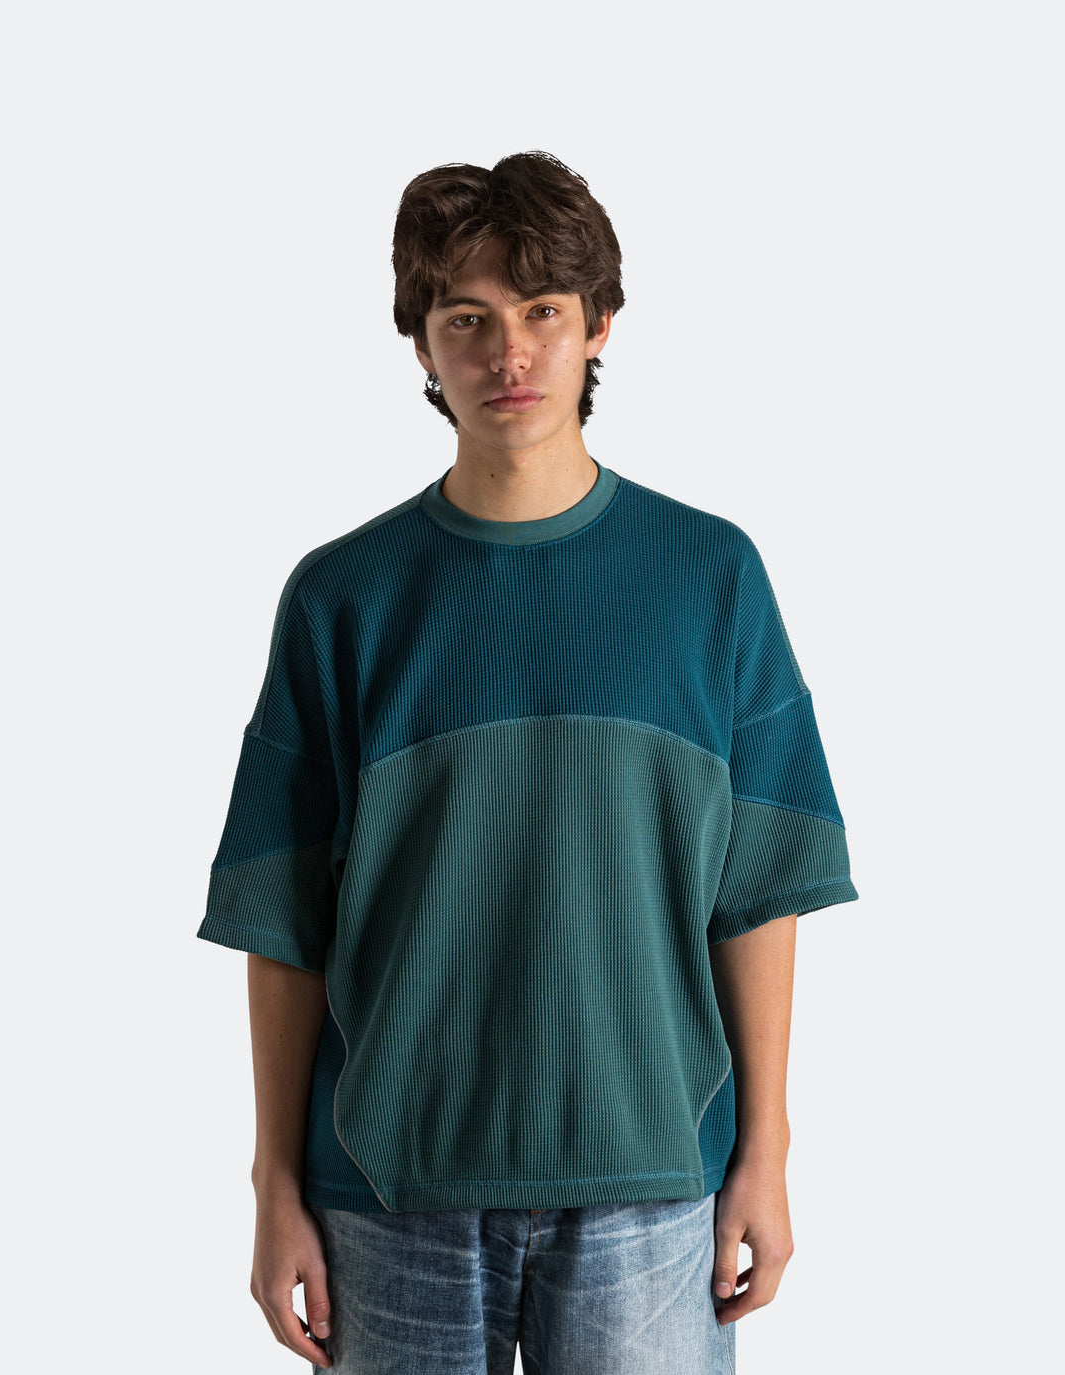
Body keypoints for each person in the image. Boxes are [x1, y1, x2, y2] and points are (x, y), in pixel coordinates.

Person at [197, 151, 858, 1374]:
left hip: (649, 1181)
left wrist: (766, 1149)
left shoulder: (710, 578)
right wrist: (272, 1181)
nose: (508, 353)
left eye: (542, 311)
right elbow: (282, 922)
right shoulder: (342, 598)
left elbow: (758, 893)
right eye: (467, 319)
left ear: (599, 325)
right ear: (420, 345)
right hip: (387, 1187)